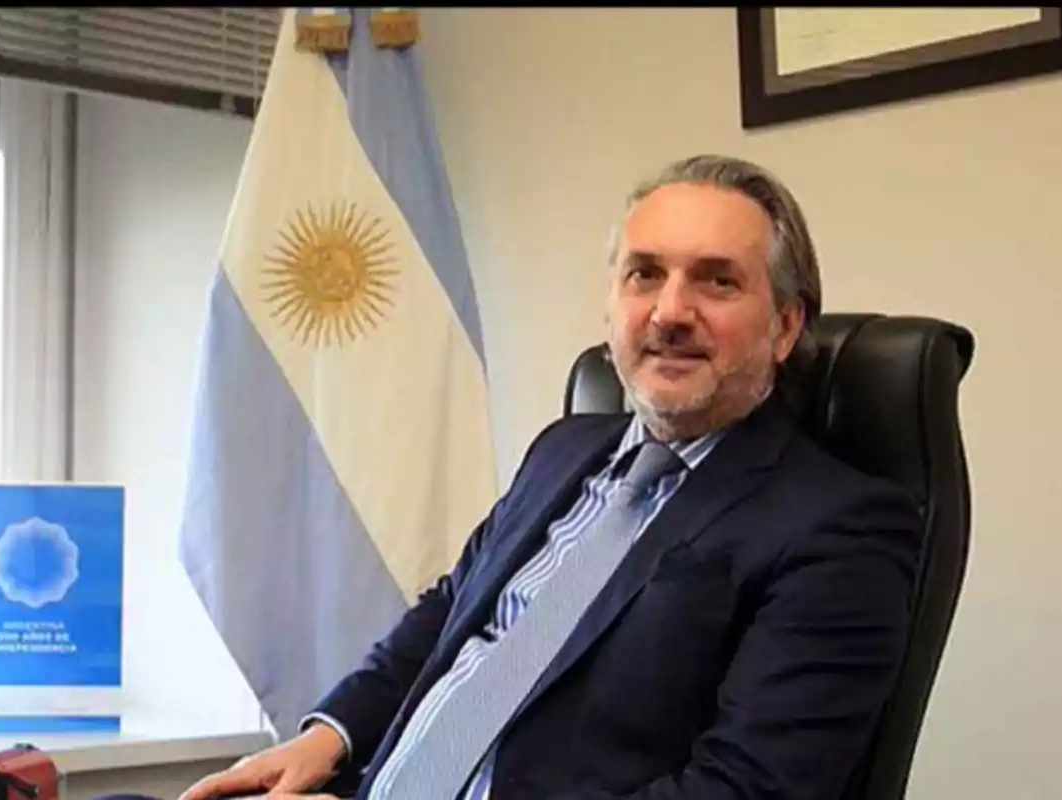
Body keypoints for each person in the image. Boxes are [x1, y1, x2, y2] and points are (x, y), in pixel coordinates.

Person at [178, 154, 922, 799]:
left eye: (717, 282)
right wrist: (327, 739)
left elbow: (746, 790)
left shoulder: (841, 526)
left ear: (786, 327)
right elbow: (449, 611)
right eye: (644, 275)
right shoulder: (562, 450)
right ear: (611, 305)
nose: (669, 312)